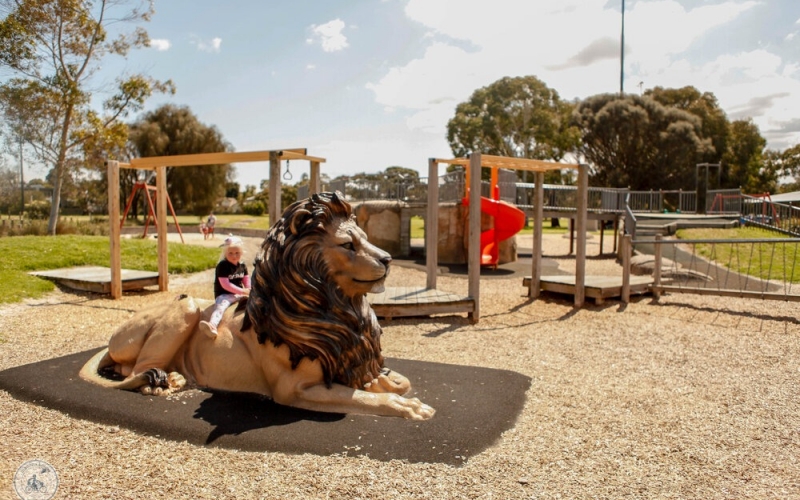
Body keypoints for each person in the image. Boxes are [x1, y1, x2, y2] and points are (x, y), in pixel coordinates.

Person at [199, 236, 250, 337]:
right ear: (225, 253)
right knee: (220, 307)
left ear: (241, 253)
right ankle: (212, 325)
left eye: (237, 253)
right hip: (225, 294)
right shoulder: (222, 266)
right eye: (230, 253)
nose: (234, 256)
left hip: (239, 294)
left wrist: (249, 289)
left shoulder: (242, 266)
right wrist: (242, 291)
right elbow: (225, 285)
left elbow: (246, 279)